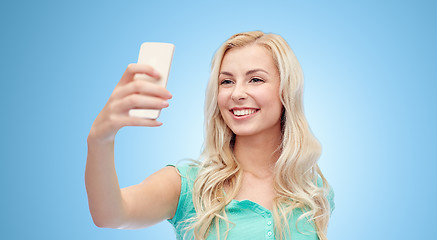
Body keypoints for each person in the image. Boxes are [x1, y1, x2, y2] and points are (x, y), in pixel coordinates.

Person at [86, 31, 335, 240]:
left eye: (255, 79)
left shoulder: (312, 190)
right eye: (226, 82)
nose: (237, 93)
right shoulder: (187, 184)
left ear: (286, 91)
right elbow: (110, 214)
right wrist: (100, 139)